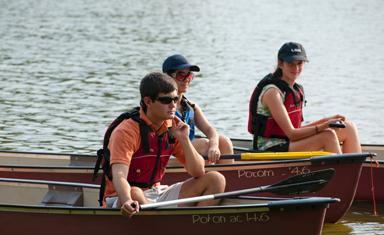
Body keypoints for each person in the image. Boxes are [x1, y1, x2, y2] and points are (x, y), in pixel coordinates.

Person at [103, 72, 226, 217]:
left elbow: (198, 172)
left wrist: (184, 140)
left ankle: (190, 227)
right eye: (166, 100)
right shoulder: (126, 131)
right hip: (122, 196)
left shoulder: (173, 127)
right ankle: (168, 222)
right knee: (135, 192)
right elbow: (119, 175)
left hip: (156, 193)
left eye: (175, 99)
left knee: (216, 179)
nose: (173, 105)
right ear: (148, 101)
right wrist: (127, 201)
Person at [248, 42, 361, 154]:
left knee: (349, 128)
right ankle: (344, 171)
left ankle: (355, 170)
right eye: (291, 63)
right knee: (327, 136)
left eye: (299, 63)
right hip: (269, 148)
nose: (296, 68)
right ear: (281, 64)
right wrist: (325, 126)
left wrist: (327, 121)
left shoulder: (294, 89)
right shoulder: (272, 93)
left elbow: (297, 130)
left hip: (289, 142)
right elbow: (292, 133)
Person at [162, 54, 234, 164]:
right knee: (204, 145)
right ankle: (211, 177)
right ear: (167, 78)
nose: (186, 80)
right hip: (169, 155)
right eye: (181, 75)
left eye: (189, 76)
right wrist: (209, 147)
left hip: (188, 150)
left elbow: (210, 130)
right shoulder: (162, 105)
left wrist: (214, 146)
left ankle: (225, 178)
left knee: (224, 141)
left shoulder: (191, 106)